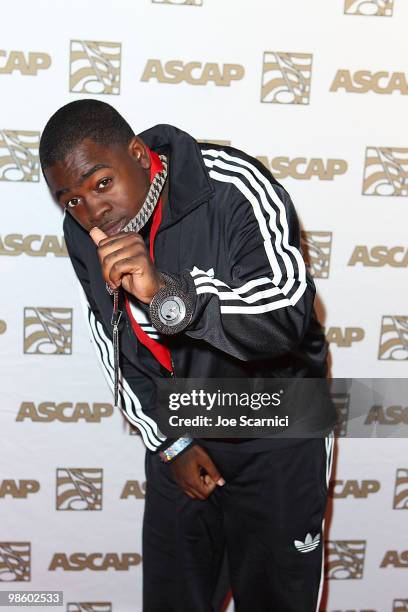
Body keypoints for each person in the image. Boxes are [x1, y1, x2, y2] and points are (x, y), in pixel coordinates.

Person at [40, 99, 335, 612]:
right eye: (72, 200)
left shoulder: (231, 185)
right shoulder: (84, 233)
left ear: (137, 153)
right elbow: (113, 338)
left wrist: (168, 294)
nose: (92, 211)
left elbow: (286, 315)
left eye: (102, 183)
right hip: (184, 427)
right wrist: (170, 443)